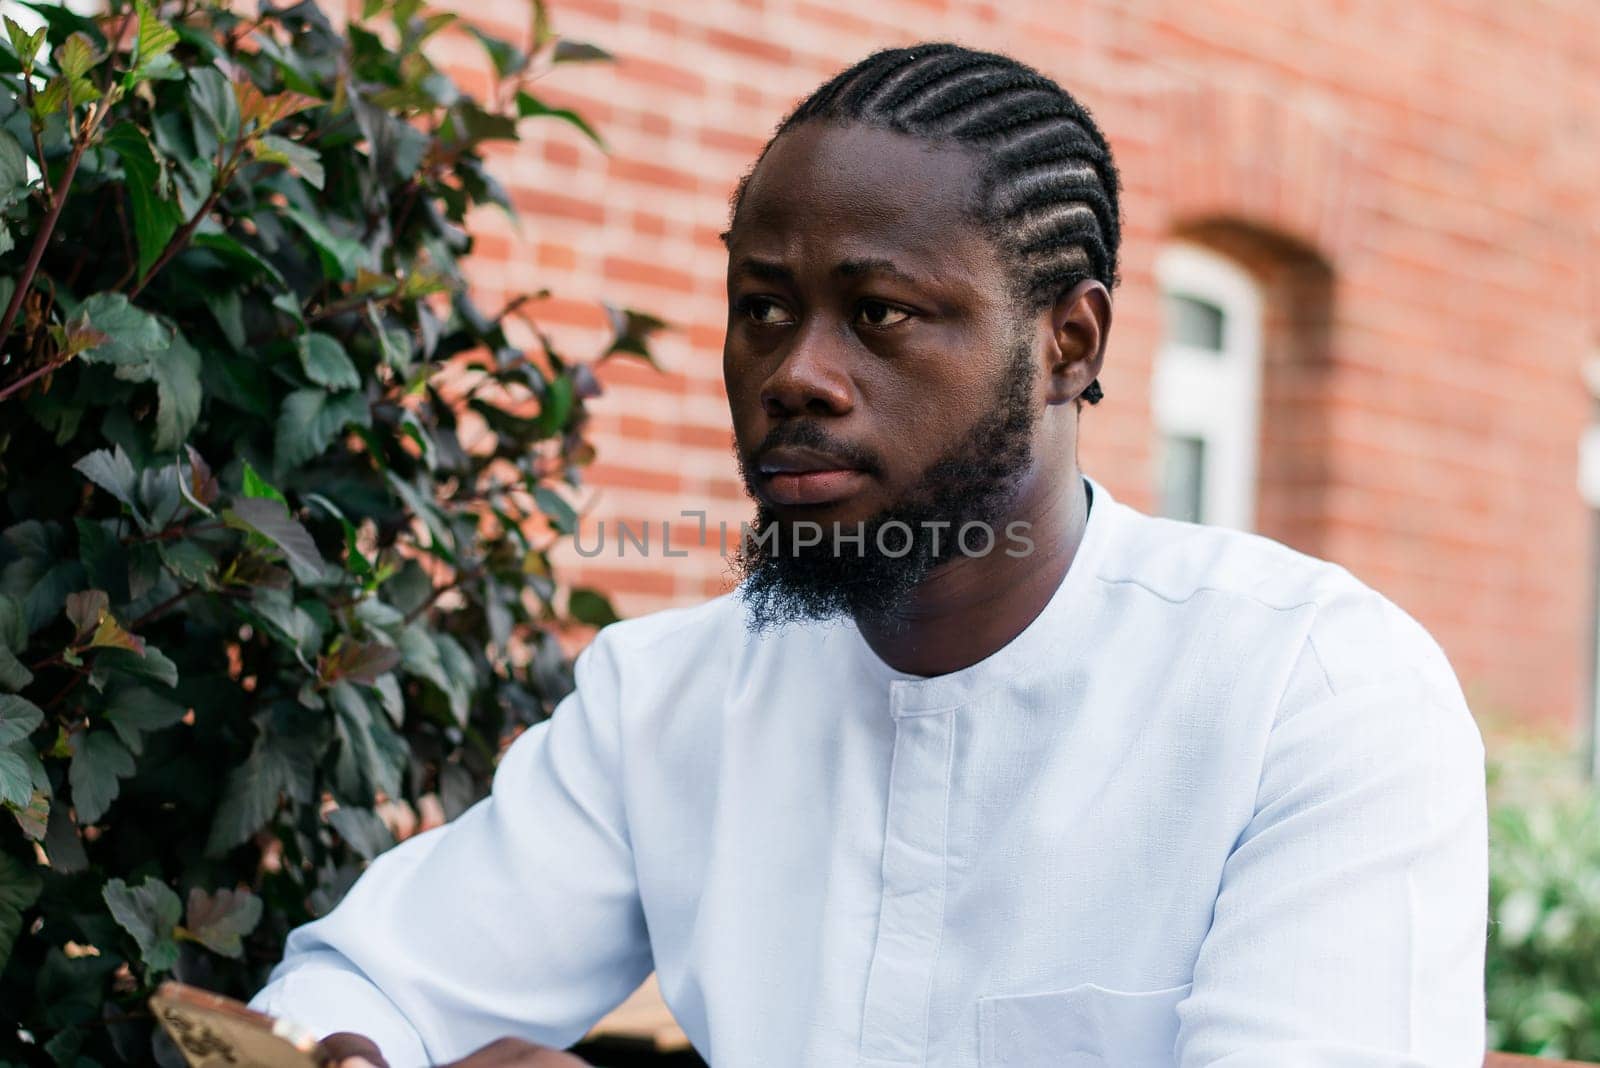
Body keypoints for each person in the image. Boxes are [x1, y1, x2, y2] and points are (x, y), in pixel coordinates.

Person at [254, 43, 1489, 1068]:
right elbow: (363, 988)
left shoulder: (1311, 693)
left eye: (882, 312)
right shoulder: (668, 700)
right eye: (762, 309)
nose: (796, 373)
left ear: (1069, 343)